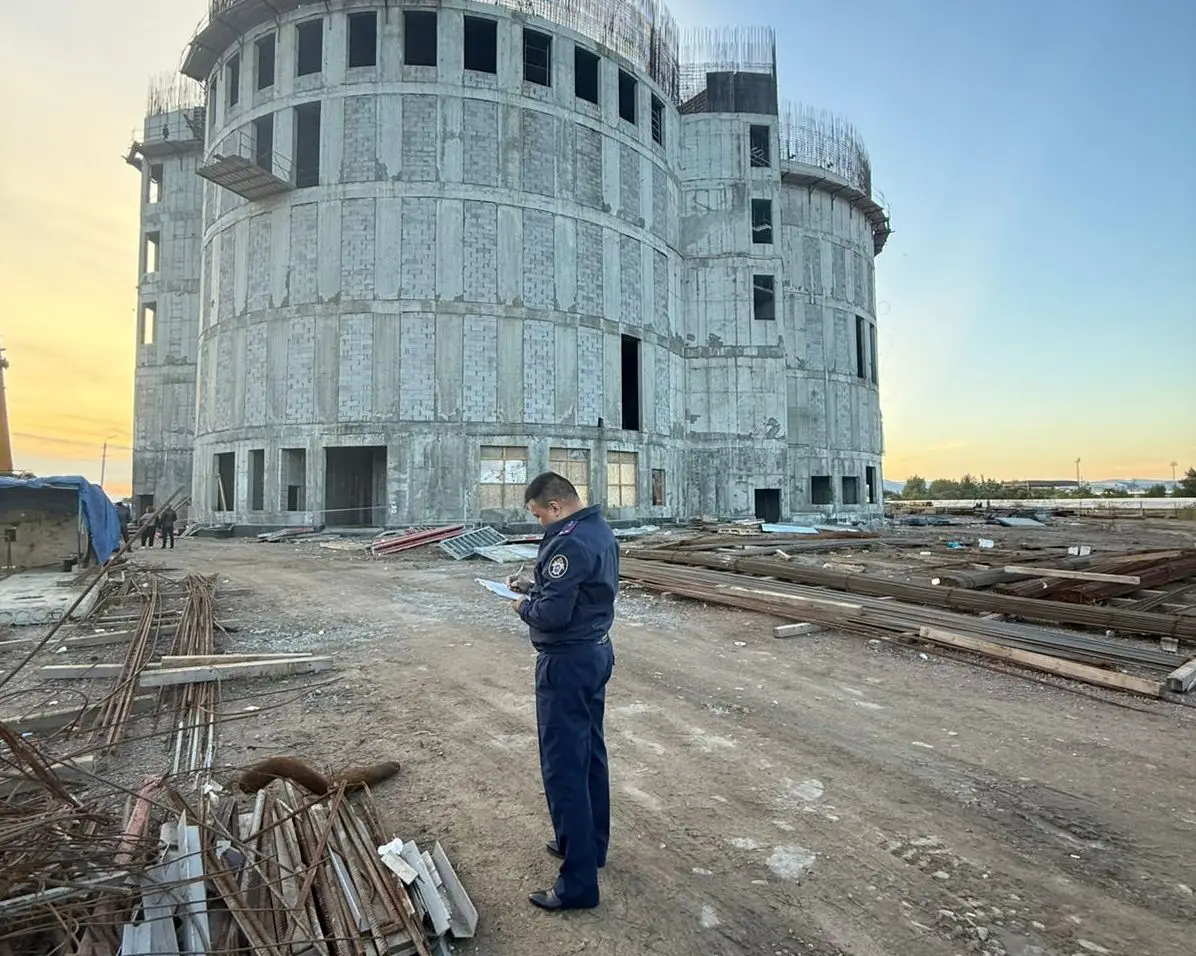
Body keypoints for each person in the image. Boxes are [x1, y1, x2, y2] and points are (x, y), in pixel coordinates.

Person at [507, 471, 618, 912]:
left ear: (555, 507)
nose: (539, 523)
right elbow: (580, 592)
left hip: (567, 663)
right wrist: (533, 587)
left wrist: (523, 605)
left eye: (539, 516)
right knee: (590, 753)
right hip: (595, 653)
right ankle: (590, 845)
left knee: (564, 768)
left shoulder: (567, 542)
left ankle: (577, 885)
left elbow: (552, 615)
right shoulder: (598, 529)